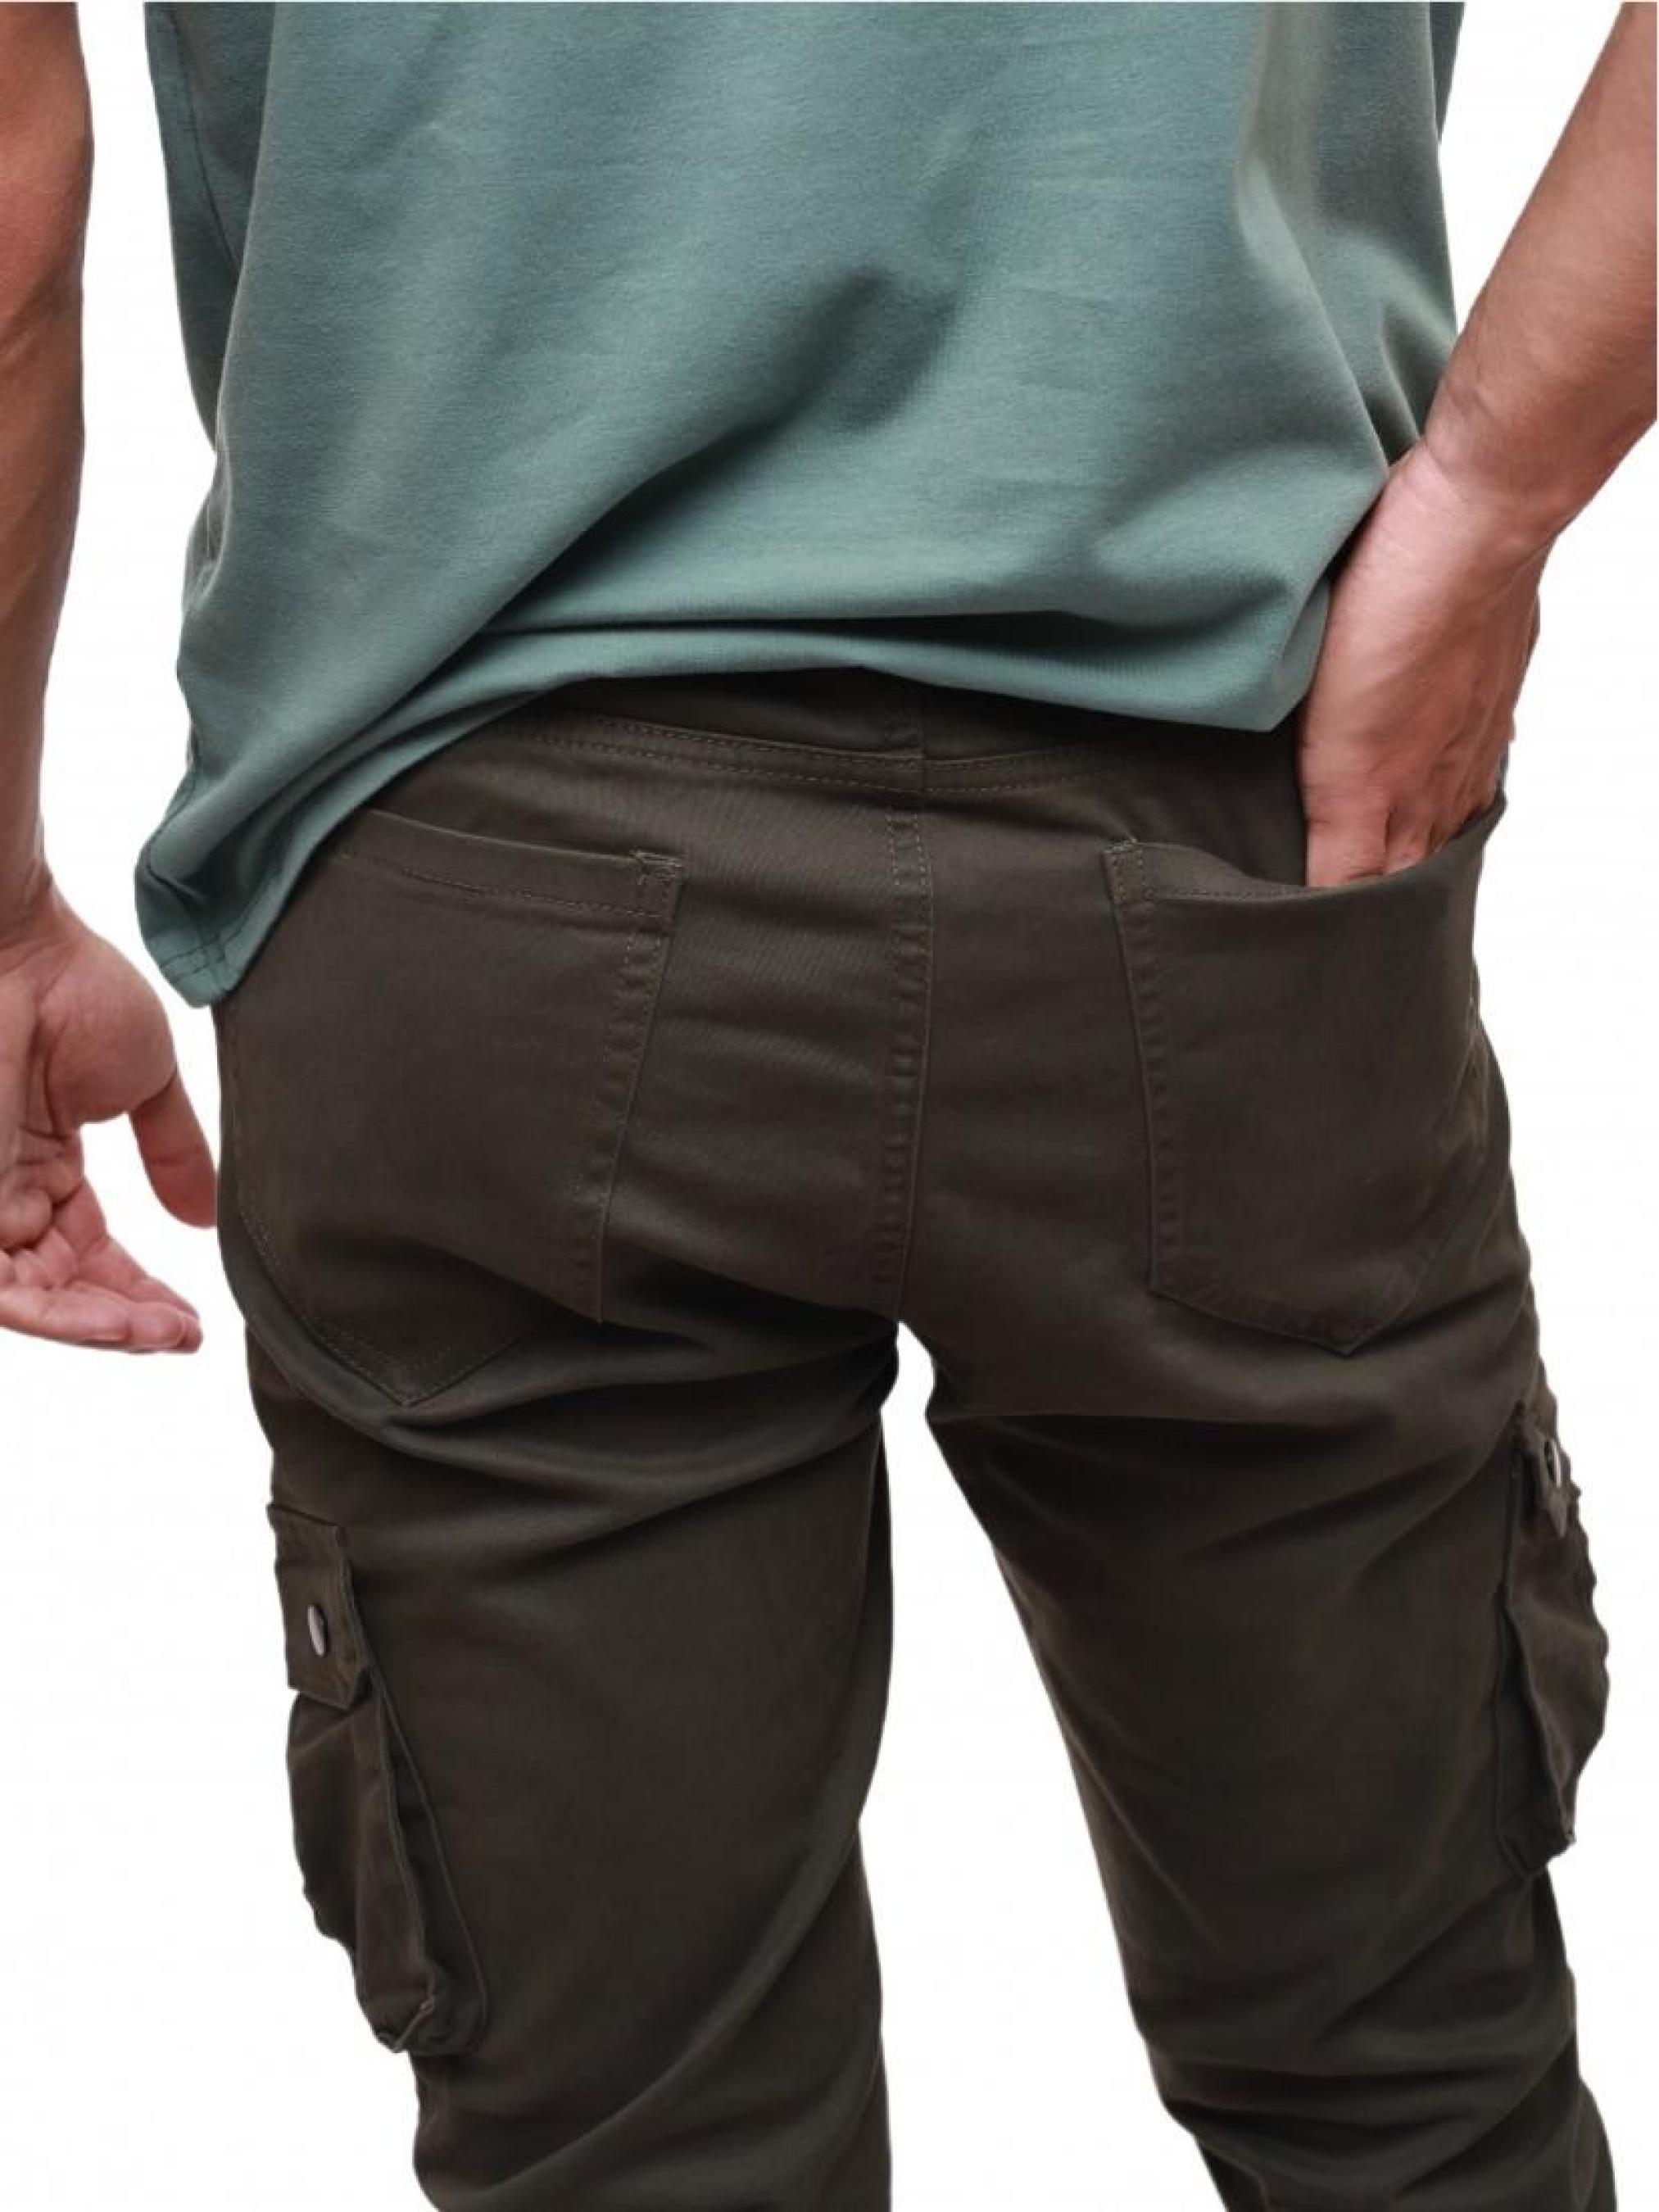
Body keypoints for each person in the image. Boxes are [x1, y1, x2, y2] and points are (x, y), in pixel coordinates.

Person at [2, 4, 1652, 2205]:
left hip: (477, 884)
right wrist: (1489, 504)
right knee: (1411, 2106)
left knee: (641, 2159)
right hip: (1220, 861)